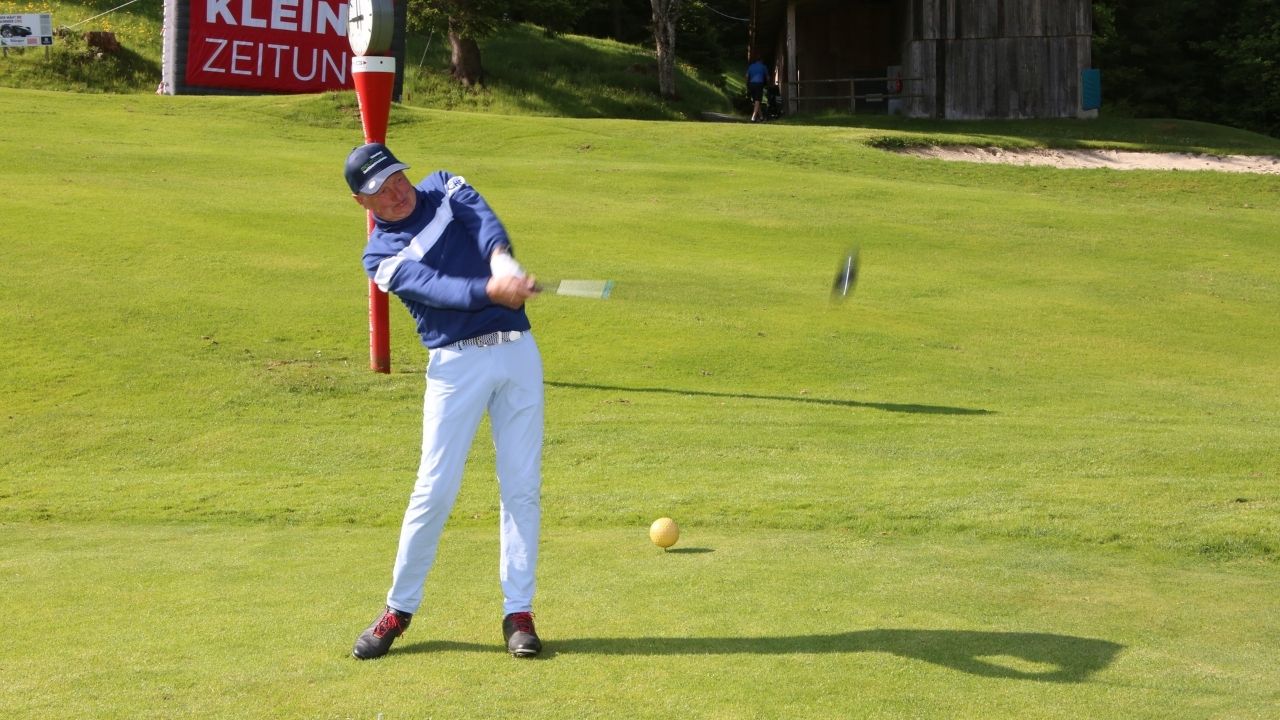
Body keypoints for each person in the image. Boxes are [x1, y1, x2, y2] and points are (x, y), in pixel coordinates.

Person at [343, 142, 545, 660]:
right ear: (362, 205)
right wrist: (490, 291)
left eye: (396, 178)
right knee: (434, 489)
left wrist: (504, 263)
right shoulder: (380, 258)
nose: (395, 192)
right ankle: (398, 609)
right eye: (379, 191)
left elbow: (483, 221)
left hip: (517, 353)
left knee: (521, 486)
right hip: (456, 367)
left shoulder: (444, 185)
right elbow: (435, 288)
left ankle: (518, 612)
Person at [746, 57, 769, 122]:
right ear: (761, 61)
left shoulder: (751, 66)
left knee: (755, 101)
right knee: (757, 100)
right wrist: (768, 84)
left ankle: (761, 117)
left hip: (751, 84)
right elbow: (767, 77)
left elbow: (747, 76)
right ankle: (753, 117)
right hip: (759, 84)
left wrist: (747, 84)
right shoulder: (763, 66)